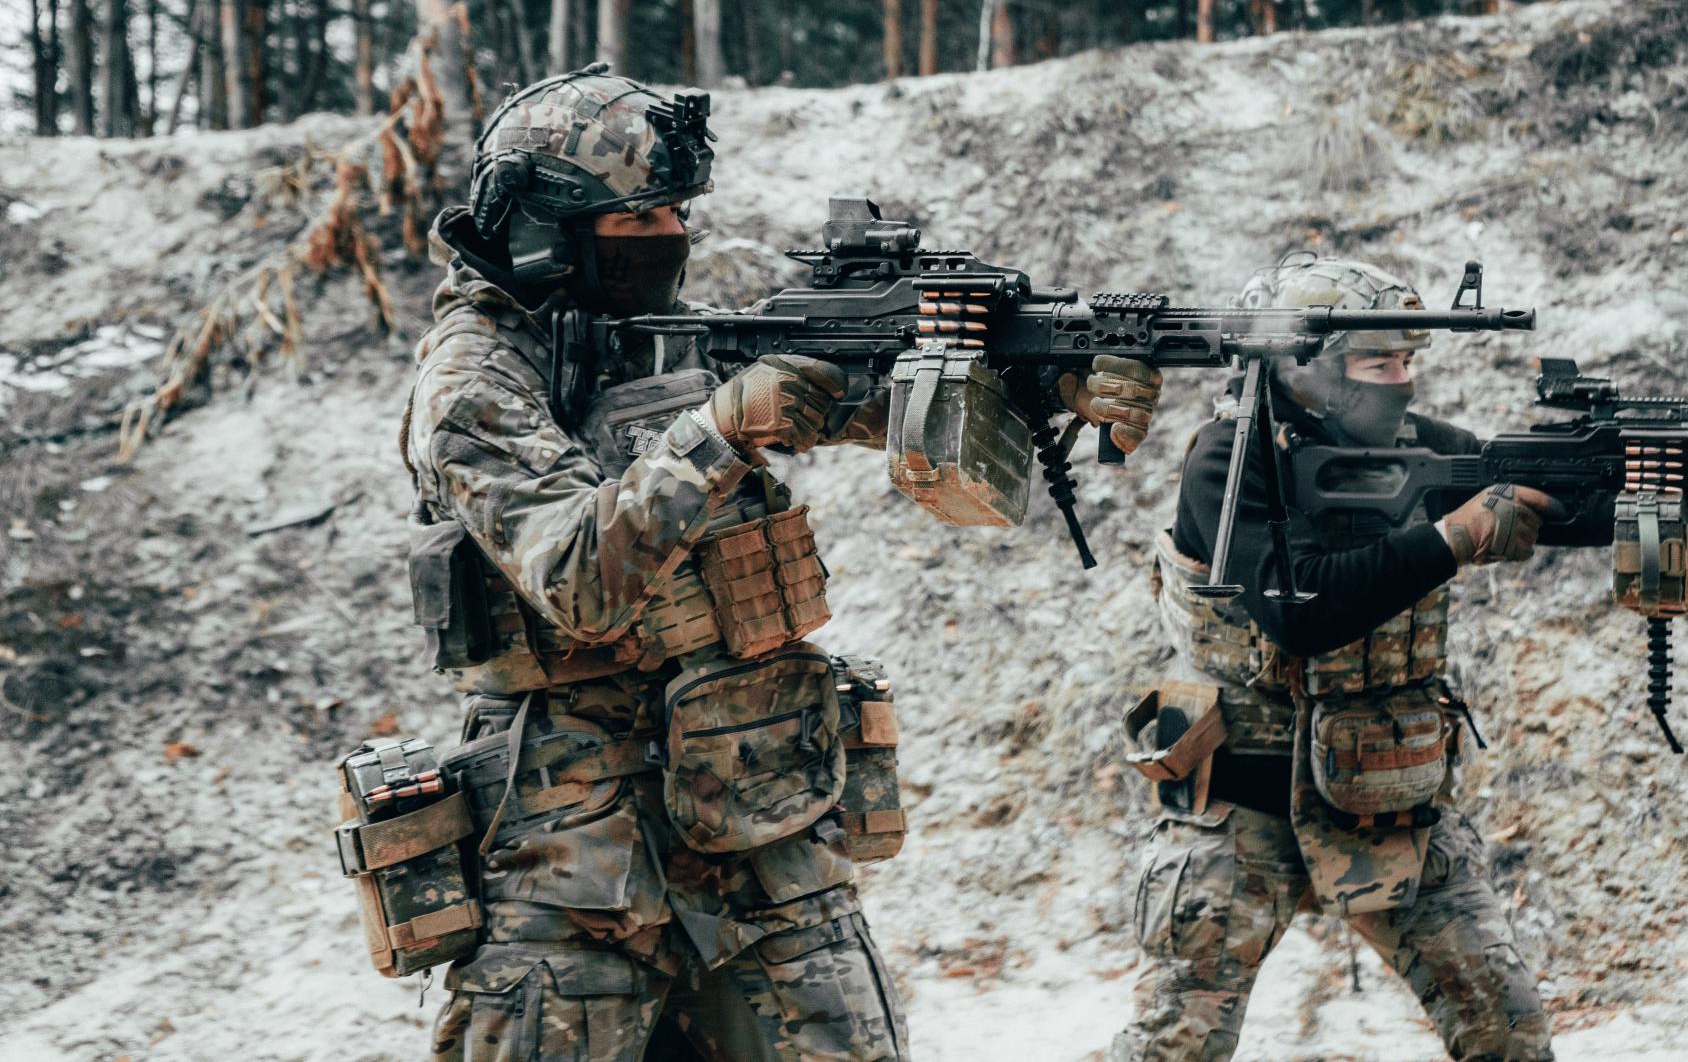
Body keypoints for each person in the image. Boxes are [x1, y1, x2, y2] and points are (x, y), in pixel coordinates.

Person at [400, 64, 1162, 1061]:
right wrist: (723, 428)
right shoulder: (471, 379)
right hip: (567, 850)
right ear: (547, 224)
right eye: (637, 220)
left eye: (675, 213)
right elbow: (578, 578)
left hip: (757, 812)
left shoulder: (646, 336)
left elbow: (868, 406)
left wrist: (1046, 380)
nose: (667, 239)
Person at [1110, 254, 1688, 1062]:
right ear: (1305, 368)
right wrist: (1455, 536)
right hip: (1237, 812)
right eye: (1378, 362)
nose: (1401, 380)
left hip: (1386, 802)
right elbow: (1303, 614)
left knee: (1508, 1037)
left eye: (1409, 360)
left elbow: (1555, 502)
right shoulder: (1228, 464)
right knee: (1173, 1048)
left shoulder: (1424, 450)